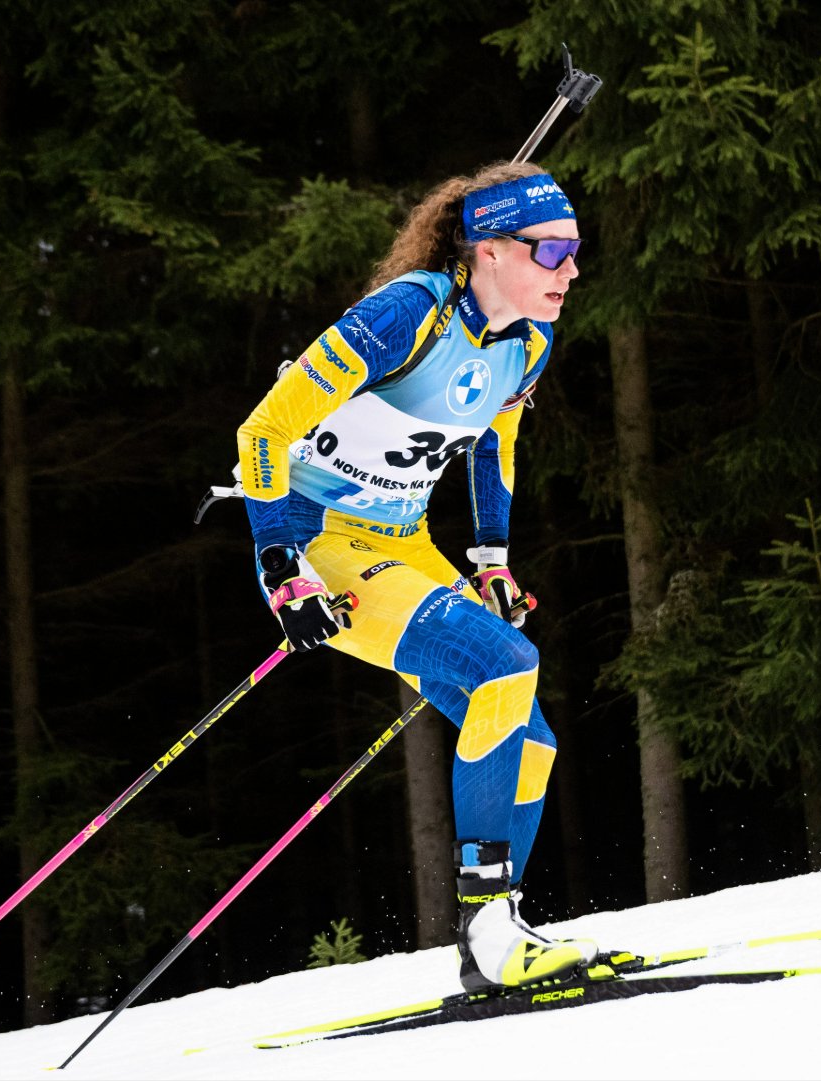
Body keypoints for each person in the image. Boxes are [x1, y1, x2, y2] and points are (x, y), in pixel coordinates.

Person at [234, 160, 592, 993]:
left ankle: (491, 936)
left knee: (531, 738)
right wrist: (279, 564)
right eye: (550, 252)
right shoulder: (408, 314)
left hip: (403, 542)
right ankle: (490, 928)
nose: (570, 269)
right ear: (490, 250)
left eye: (576, 249)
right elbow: (264, 431)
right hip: (318, 544)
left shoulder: (529, 340)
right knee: (505, 664)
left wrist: (493, 557)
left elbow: (492, 441)